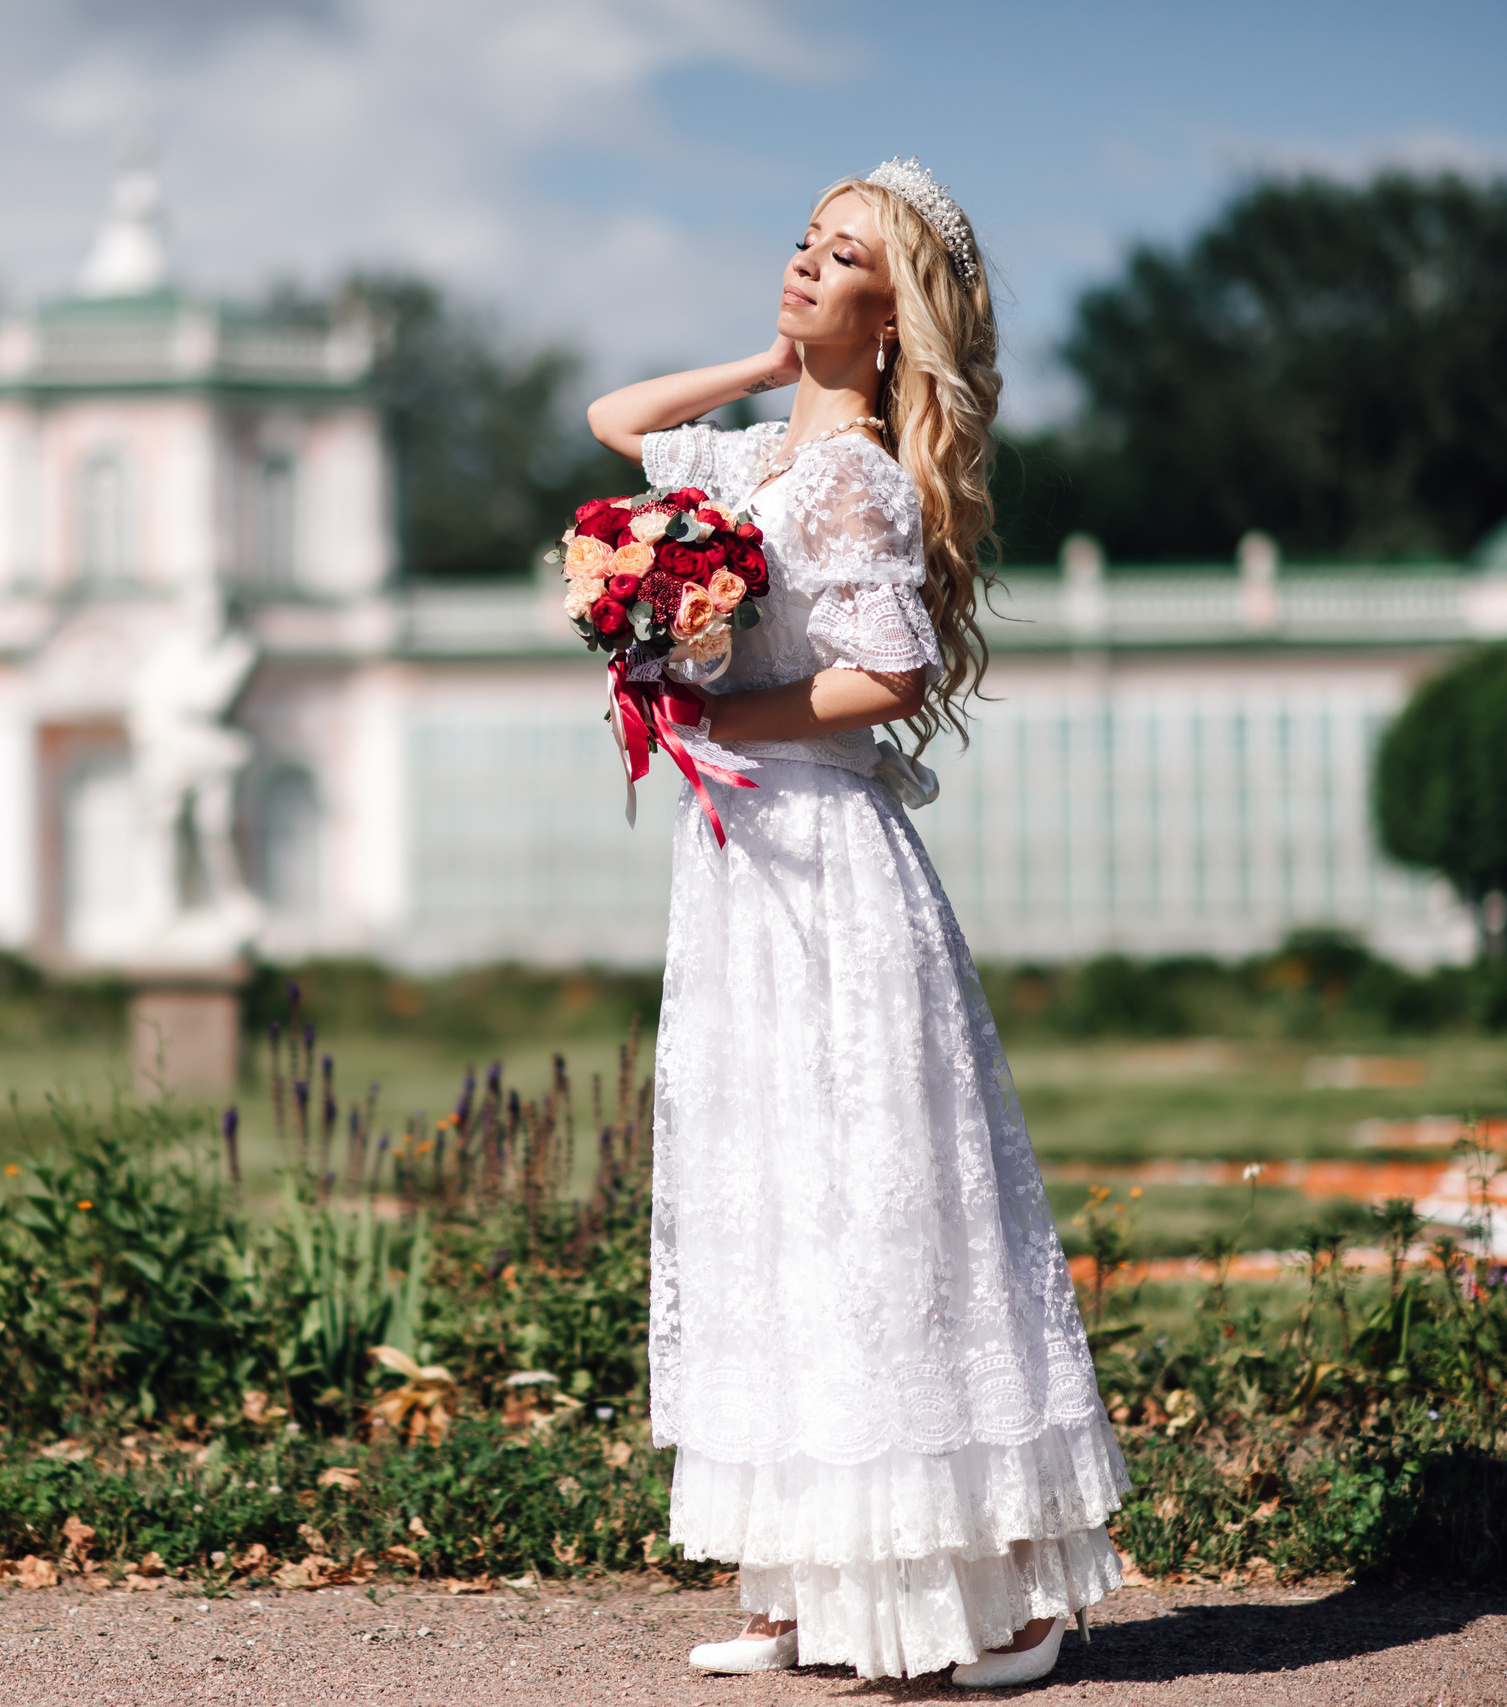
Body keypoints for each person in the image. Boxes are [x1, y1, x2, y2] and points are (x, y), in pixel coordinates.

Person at [584, 159, 1129, 1687]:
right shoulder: (761, 450)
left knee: (874, 1199)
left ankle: (1000, 1600)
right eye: (803, 249)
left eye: (841, 264)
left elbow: (884, 679)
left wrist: (707, 704)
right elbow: (614, 424)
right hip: (744, 863)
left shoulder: (859, 477)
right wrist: (770, 366)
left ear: (894, 319)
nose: (804, 272)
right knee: (772, 1196)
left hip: (825, 855)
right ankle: (803, 1584)